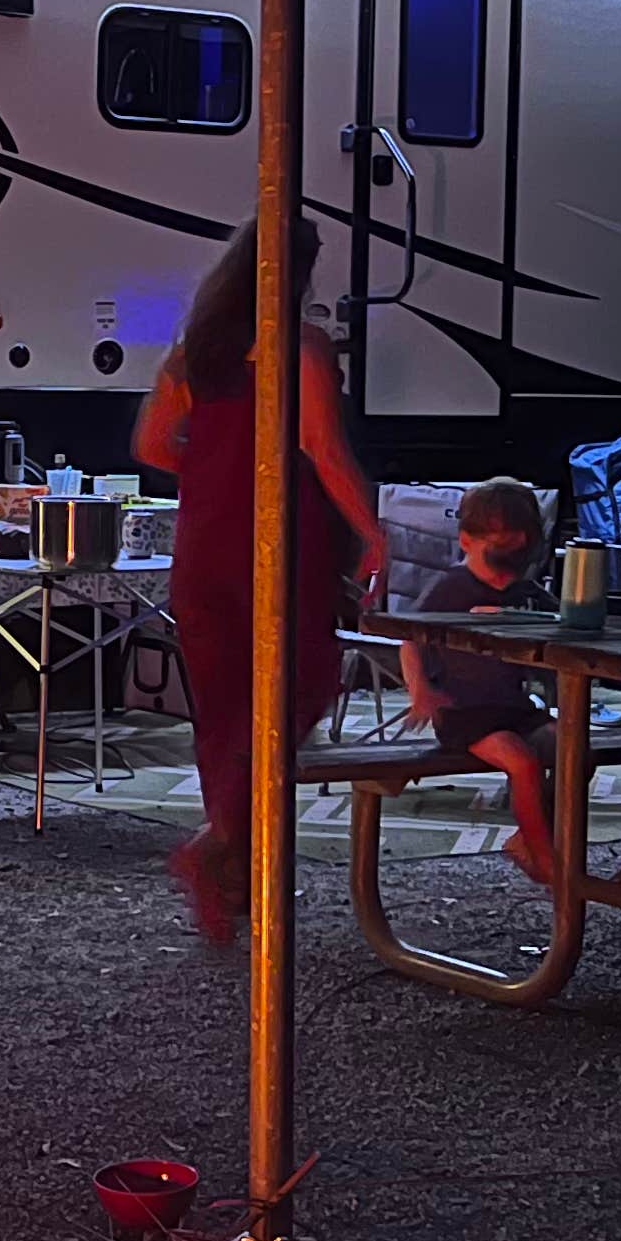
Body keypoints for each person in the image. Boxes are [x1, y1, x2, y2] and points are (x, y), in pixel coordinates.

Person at [132, 218, 387, 941]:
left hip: (201, 545)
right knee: (297, 686)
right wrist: (372, 532)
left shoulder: (194, 353)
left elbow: (152, 443)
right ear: (298, 272)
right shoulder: (299, 346)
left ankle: (235, 872)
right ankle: (213, 851)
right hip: (279, 543)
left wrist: (216, 475)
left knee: (221, 710)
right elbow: (322, 447)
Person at [404, 478, 560, 886]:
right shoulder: (451, 587)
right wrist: (421, 690)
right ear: (467, 541)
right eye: (497, 547)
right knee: (522, 763)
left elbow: (560, 624)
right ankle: (546, 859)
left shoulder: (523, 591)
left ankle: (528, 835)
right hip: (466, 713)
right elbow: (409, 635)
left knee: (576, 751)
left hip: (514, 708)